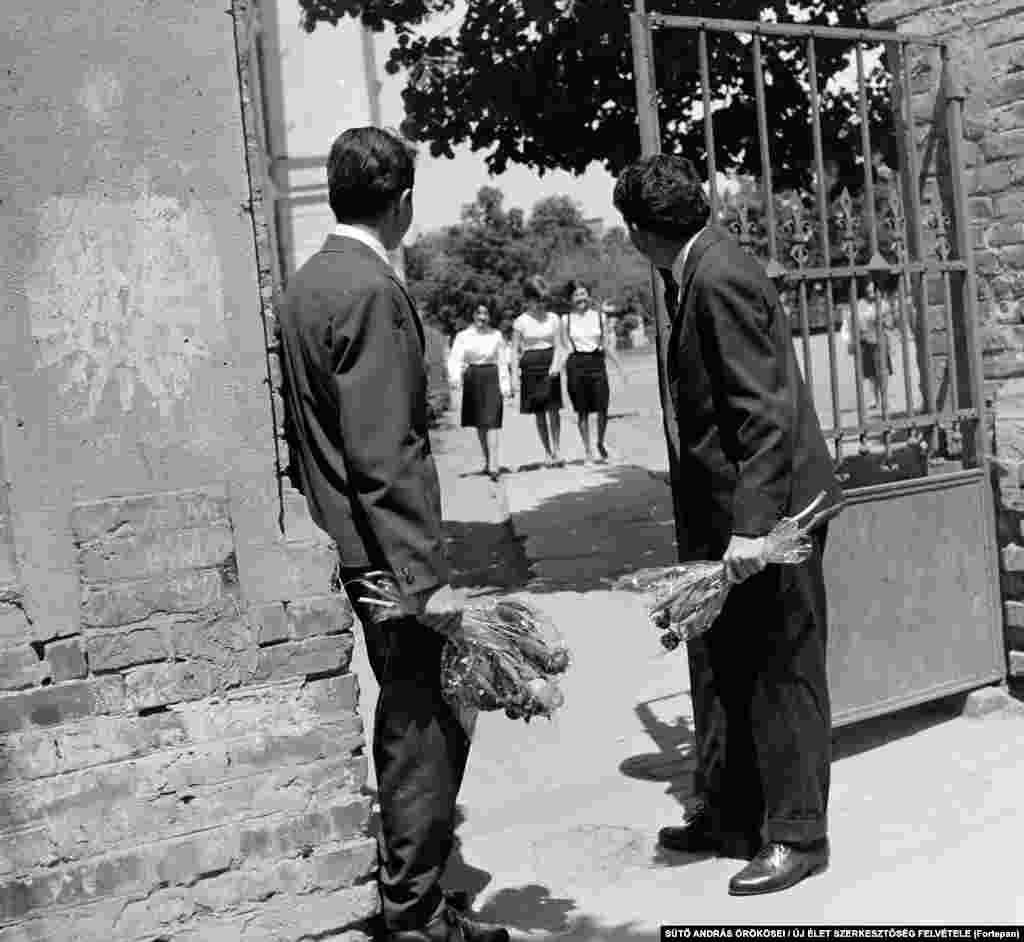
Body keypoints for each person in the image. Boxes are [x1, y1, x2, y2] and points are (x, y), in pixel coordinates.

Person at [275, 126, 508, 942]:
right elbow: (385, 451)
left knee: (427, 719)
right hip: (388, 558)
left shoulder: (307, 285)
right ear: (403, 203)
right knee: (425, 730)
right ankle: (415, 916)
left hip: (356, 543)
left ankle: (424, 896)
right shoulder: (371, 290)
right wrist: (425, 578)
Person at [612, 154, 845, 896]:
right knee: (733, 671)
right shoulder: (703, 266)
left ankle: (799, 836)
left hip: (774, 517)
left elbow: (764, 412)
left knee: (783, 675)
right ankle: (734, 814)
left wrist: (752, 527)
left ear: (640, 234)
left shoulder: (718, 276)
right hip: (739, 517)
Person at [448, 304, 512, 479]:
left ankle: (494, 464)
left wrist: (505, 386)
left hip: (492, 376)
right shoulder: (463, 336)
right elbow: (455, 358)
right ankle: (487, 460)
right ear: (473, 315)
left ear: (490, 316)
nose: (482, 317)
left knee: (492, 421)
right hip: (473, 377)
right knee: (480, 423)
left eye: (486, 313)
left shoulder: (496, 335)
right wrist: (455, 378)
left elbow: (502, 362)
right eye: (479, 313)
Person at [561, 284, 623, 463]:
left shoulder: (600, 317)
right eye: (577, 295)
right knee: (582, 411)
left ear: (588, 296)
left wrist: (619, 367)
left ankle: (600, 442)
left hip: (597, 362)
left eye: (583, 294)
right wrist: (557, 369)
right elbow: (564, 348)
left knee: (603, 408)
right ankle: (588, 449)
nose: (581, 298)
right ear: (571, 299)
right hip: (576, 365)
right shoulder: (566, 320)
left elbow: (607, 344)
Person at [511, 275, 566, 467]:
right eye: (537, 300)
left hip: (550, 365)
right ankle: (547, 452)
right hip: (530, 367)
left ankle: (557, 450)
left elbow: (560, 346)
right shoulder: (520, 322)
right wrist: (513, 377)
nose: (541, 304)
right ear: (528, 300)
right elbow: (515, 351)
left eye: (544, 300)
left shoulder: (554, 318)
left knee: (554, 410)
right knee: (539, 412)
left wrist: (556, 366)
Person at [850, 278, 893, 412]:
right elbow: (855, 322)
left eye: (873, 291)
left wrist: (882, 319)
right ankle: (875, 399)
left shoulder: (884, 304)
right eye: (868, 291)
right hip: (866, 341)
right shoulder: (860, 304)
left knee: (882, 371)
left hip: (881, 341)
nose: (871, 294)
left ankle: (885, 398)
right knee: (871, 373)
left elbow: (890, 324)